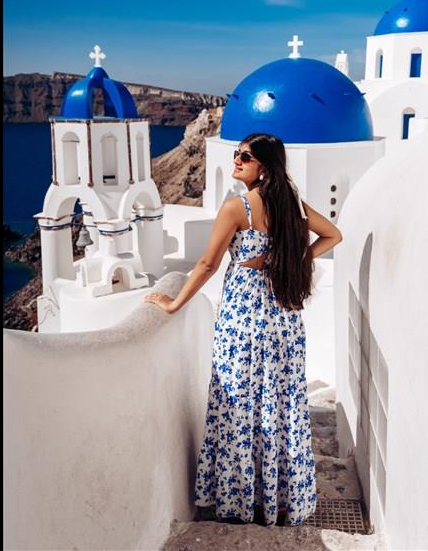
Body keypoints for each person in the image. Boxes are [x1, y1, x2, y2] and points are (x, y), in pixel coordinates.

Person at [144, 133, 343, 527]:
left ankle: (241, 500)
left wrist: (174, 302)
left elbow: (207, 264)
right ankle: (280, 500)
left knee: (238, 402)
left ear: (263, 166)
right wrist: (289, 257)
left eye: (245, 156)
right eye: (236, 154)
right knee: (279, 405)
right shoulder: (290, 204)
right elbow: (333, 235)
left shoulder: (238, 208)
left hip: (243, 318)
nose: (236, 160)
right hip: (283, 319)